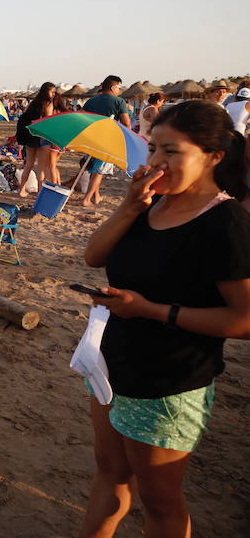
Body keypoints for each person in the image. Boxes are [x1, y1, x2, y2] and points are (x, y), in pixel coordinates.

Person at [80, 100, 250, 537]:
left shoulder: (225, 223)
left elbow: (245, 320)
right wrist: (130, 206)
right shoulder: (150, 204)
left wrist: (150, 310)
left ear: (213, 156)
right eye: (153, 149)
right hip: (111, 365)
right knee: (110, 473)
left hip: (167, 385)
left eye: (172, 151)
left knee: (159, 501)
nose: (156, 162)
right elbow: (94, 256)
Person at [82, 75, 131, 207]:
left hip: (90, 139)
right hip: (108, 139)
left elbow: (82, 120)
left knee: (94, 168)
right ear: (113, 87)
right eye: (119, 87)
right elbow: (126, 123)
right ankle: (87, 198)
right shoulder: (119, 101)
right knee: (99, 171)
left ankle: (96, 196)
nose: (119, 90)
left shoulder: (90, 101)